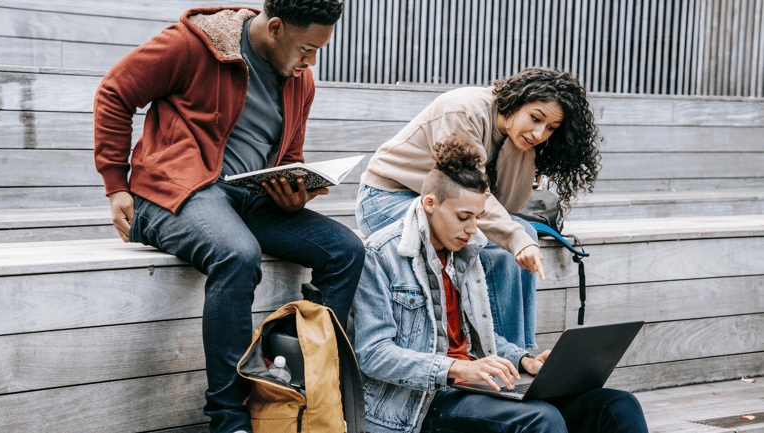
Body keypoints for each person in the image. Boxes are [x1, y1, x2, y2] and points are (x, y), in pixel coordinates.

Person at [93, 2, 364, 432]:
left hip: (247, 200)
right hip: (176, 190)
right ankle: (229, 419)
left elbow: (289, 154)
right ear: (275, 28)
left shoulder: (300, 81)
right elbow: (114, 91)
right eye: (307, 48)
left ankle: (296, 390)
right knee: (238, 254)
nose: (312, 62)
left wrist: (292, 197)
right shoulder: (192, 45)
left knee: (345, 249)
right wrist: (115, 184)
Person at [351, 135, 646, 433]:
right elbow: (373, 353)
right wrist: (457, 367)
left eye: (478, 217)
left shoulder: (465, 252)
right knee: (542, 419)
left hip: (474, 386)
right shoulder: (381, 254)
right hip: (422, 402)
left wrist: (524, 360)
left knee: (618, 406)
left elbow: (482, 337)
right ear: (430, 203)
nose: (472, 230)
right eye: (463, 217)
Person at [356, 66, 601, 349]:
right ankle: (495, 354)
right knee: (495, 244)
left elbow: (508, 206)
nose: (539, 133)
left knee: (525, 235)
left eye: (550, 128)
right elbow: (468, 196)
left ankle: (519, 353)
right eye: (535, 118)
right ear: (516, 100)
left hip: (450, 205)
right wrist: (511, 236)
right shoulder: (462, 111)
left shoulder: (520, 137)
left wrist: (519, 150)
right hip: (387, 196)